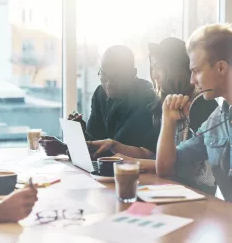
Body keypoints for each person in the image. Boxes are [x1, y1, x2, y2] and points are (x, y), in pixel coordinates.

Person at [90, 38, 218, 179]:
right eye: (152, 68)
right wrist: (114, 145)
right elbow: (151, 154)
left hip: (191, 191)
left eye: (159, 67)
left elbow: (180, 164)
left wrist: (135, 162)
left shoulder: (201, 106)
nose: (154, 74)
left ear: (178, 68)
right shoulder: (165, 104)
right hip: (169, 186)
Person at [156, 24, 232, 201]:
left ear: (221, 67)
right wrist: (168, 121)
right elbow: (166, 168)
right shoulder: (215, 123)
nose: (192, 80)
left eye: (196, 71)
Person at [40, 45, 157, 156]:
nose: (109, 84)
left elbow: (112, 149)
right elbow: (95, 141)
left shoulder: (145, 98)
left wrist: (64, 148)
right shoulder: (100, 93)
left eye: (117, 77)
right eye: (105, 76)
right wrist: (81, 133)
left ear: (132, 74)